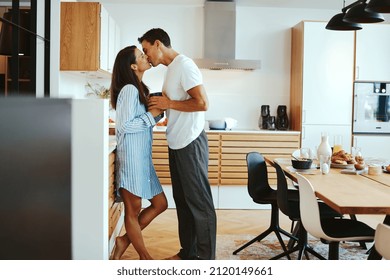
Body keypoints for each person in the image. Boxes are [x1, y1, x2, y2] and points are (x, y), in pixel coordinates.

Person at [138, 28, 217, 260]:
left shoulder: (185, 65)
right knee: (183, 203)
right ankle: (188, 254)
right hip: (176, 143)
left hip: (191, 143)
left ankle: (206, 260)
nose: (146, 55)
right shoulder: (171, 70)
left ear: (158, 44)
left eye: (146, 49)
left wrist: (168, 103)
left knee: (200, 206)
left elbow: (202, 103)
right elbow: (172, 104)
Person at [110, 45, 168, 260]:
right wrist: (152, 114)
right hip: (132, 159)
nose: (146, 57)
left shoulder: (140, 87)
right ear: (133, 65)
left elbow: (140, 121)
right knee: (133, 211)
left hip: (142, 159)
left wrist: (156, 114)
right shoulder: (129, 89)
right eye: (141, 55)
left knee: (160, 204)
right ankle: (145, 258)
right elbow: (124, 127)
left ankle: (123, 241)